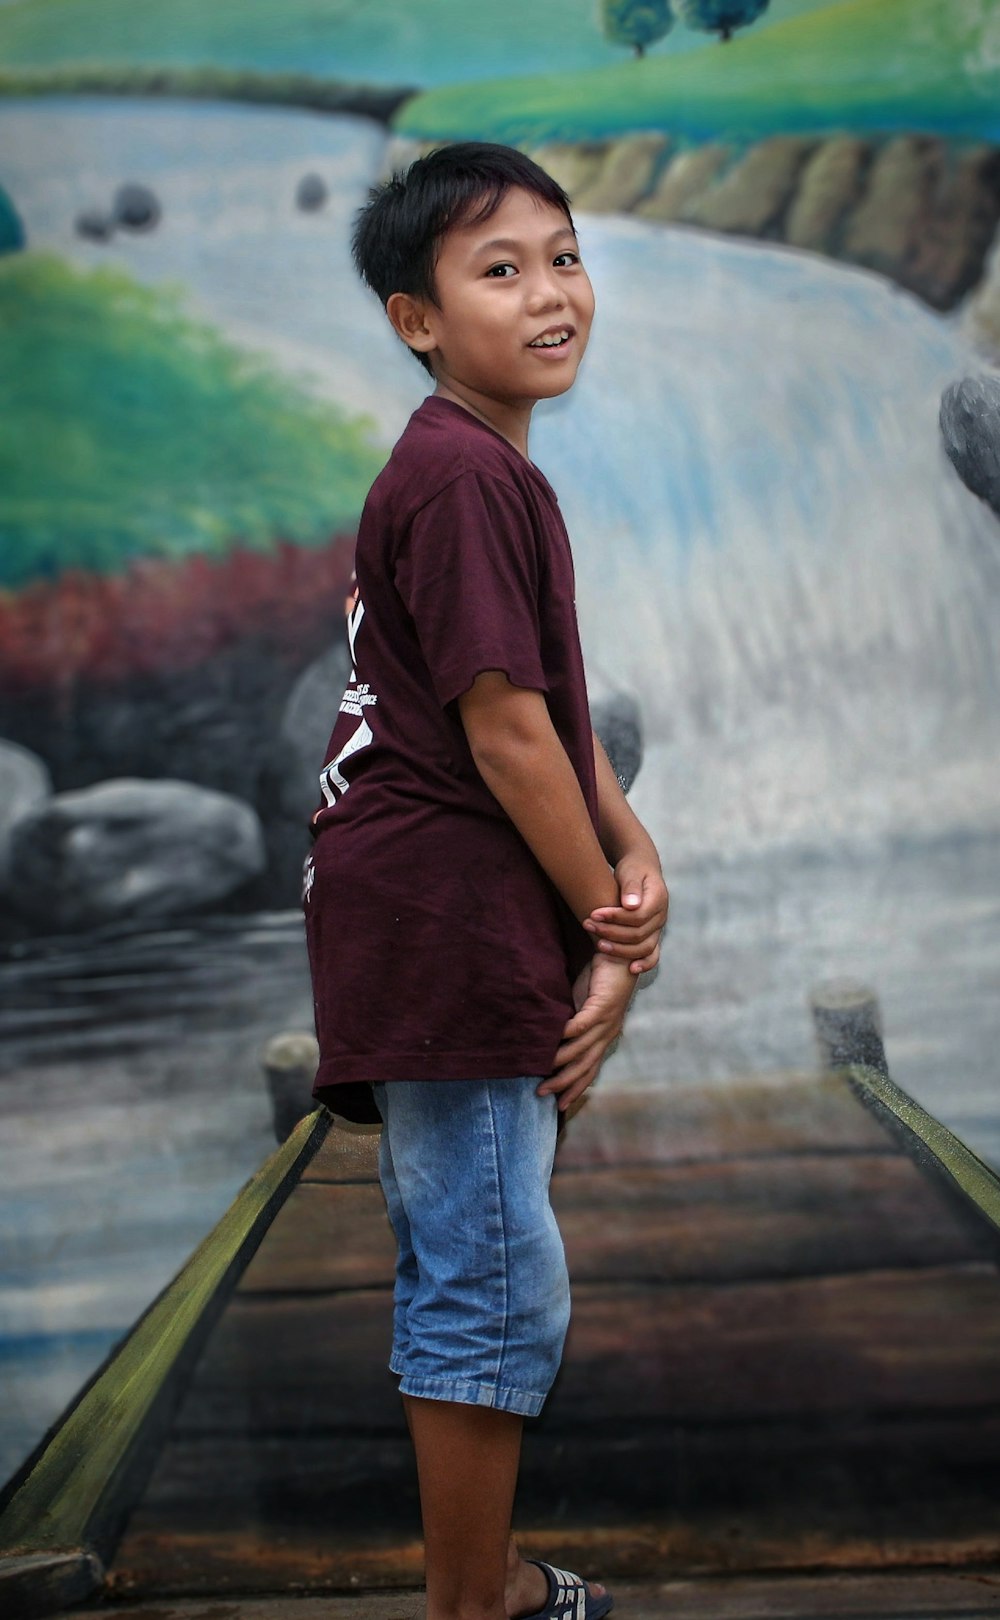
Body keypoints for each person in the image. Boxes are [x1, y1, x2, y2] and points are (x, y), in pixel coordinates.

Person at [303, 142, 669, 1620]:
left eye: (565, 257)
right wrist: (614, 938)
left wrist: (636, 852)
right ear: (418, 318)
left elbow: (552, 718)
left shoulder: (483, 466)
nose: (550, 295)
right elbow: (504, 733)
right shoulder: (461, 475)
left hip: (431, 914)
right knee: (490, 1273)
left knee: (480, 1256)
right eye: (499, 271)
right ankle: (478, 1606)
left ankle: (487, 1586)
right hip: (446, 921)